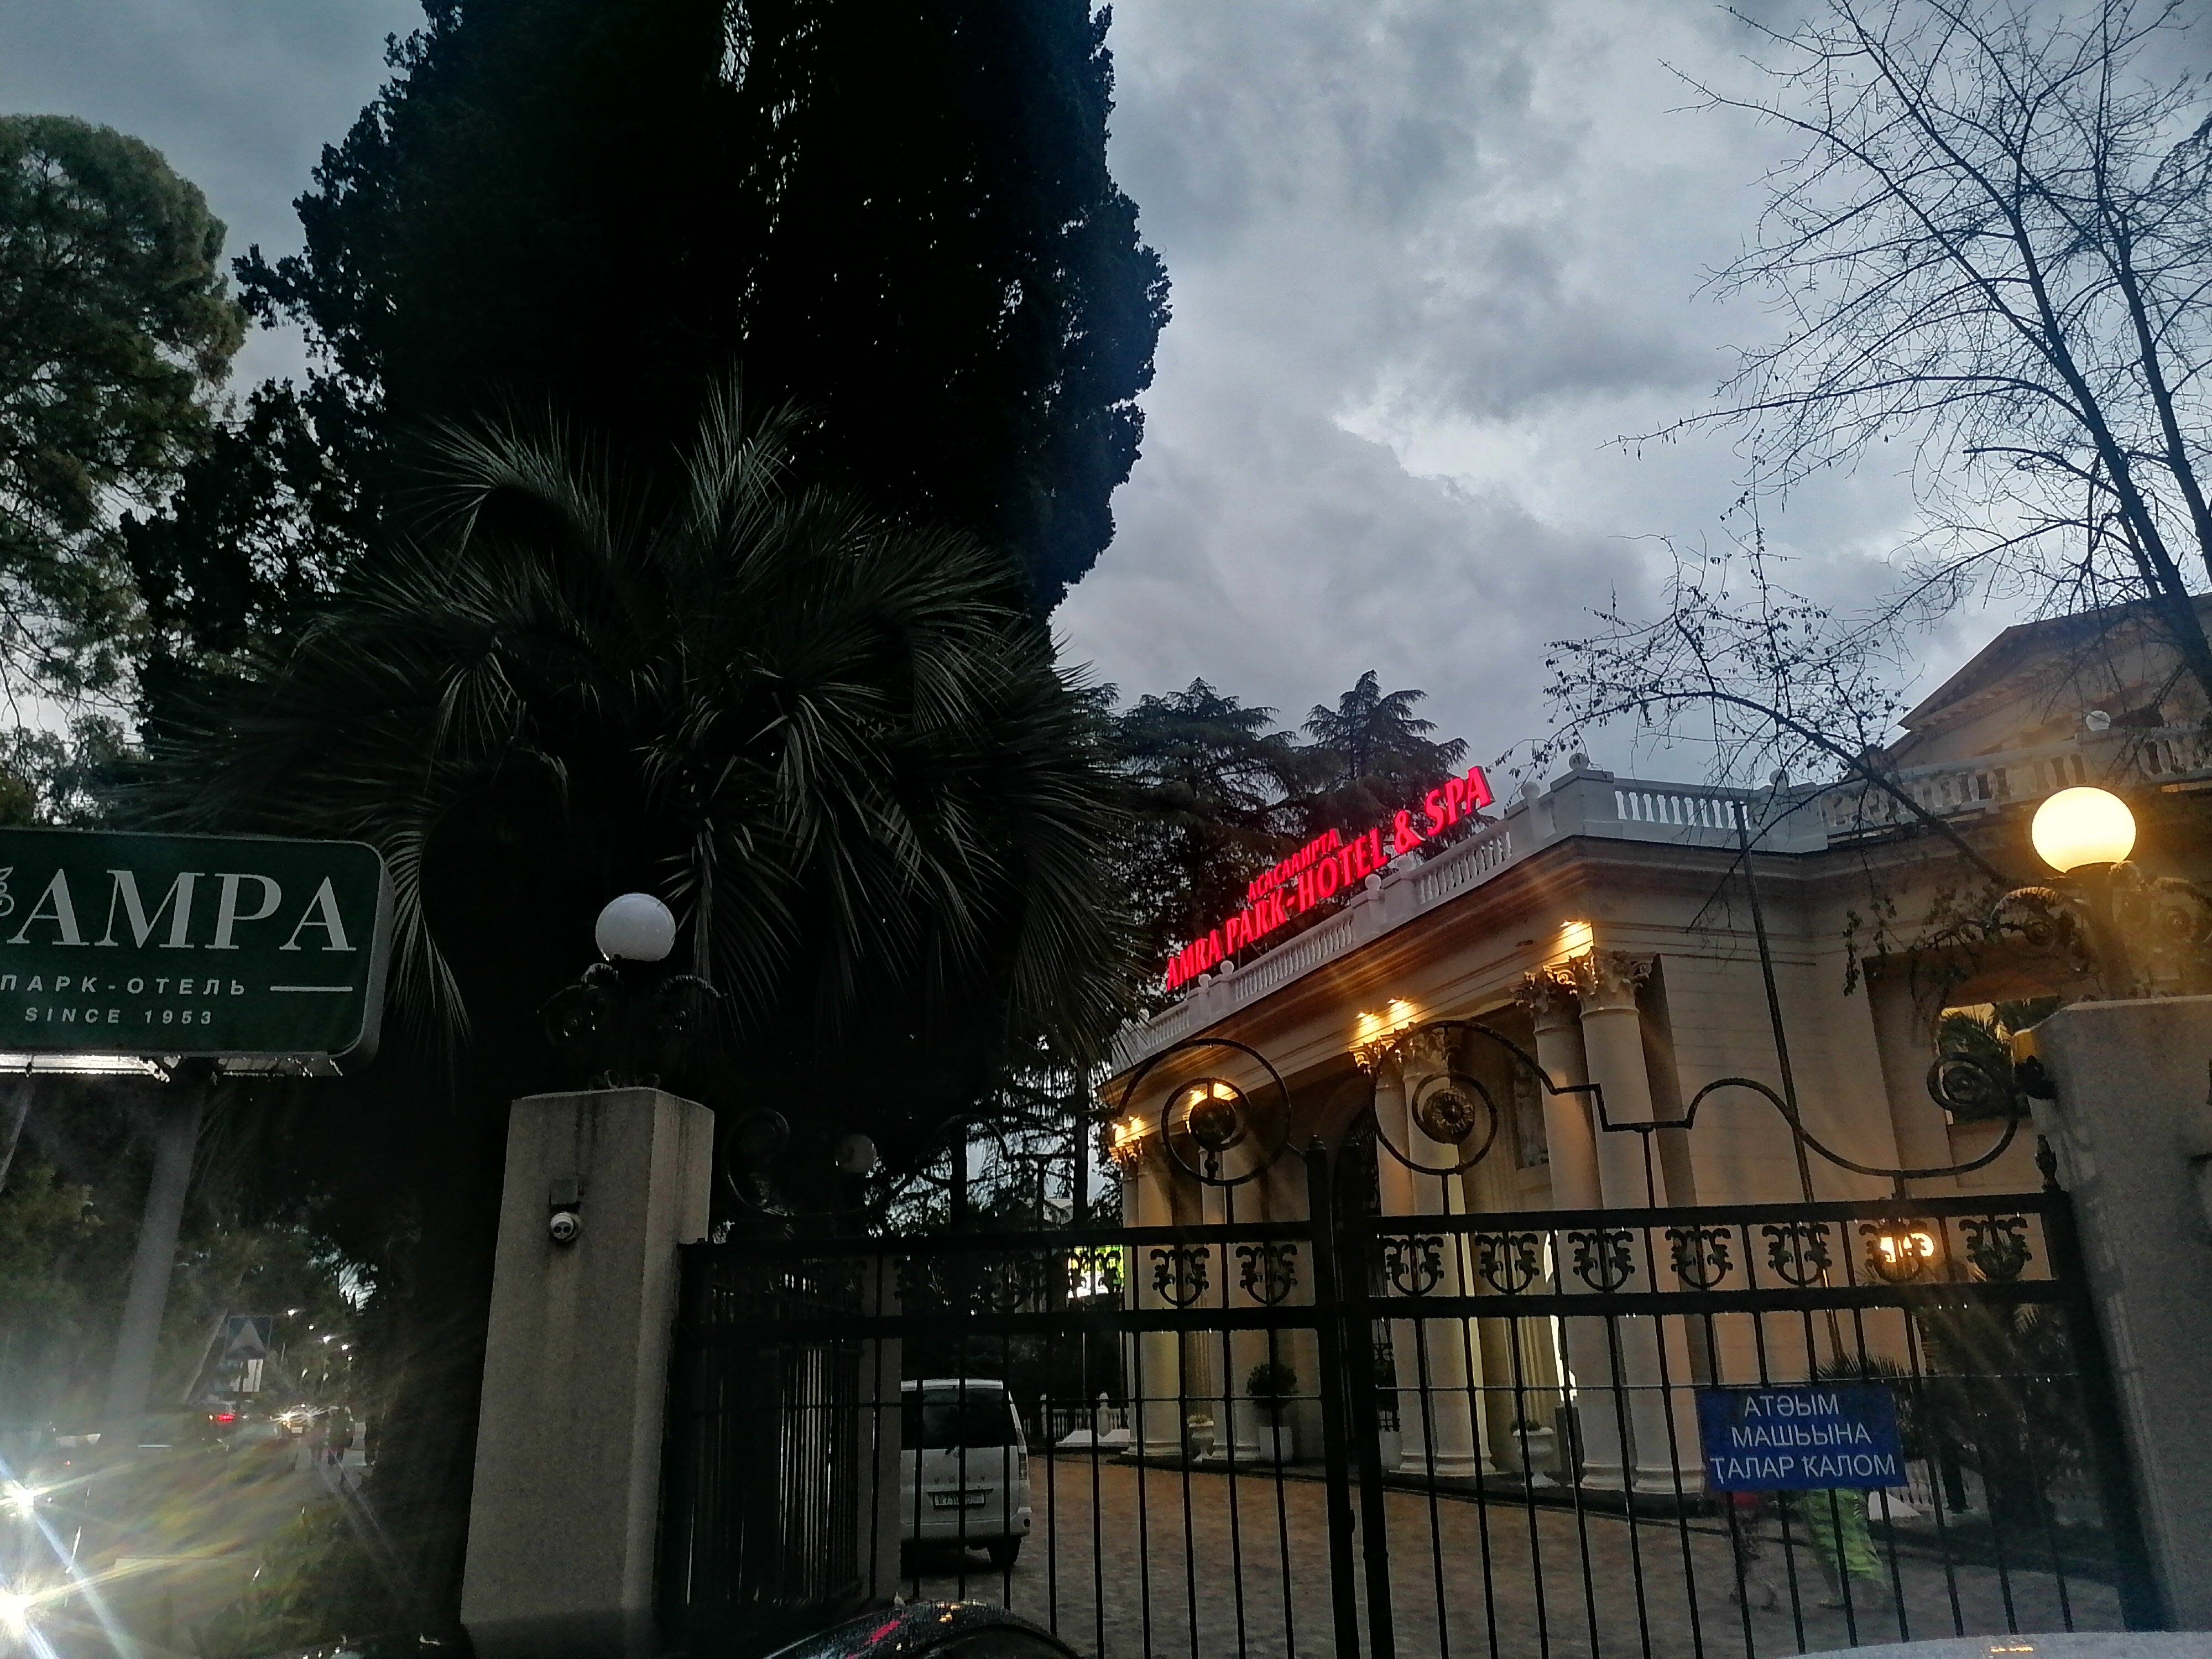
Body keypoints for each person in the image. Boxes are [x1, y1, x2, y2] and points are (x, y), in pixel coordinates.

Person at [1786, 1488, 1888, 1612]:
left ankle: (1843, 1595)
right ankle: (1874, 1591)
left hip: (1819, 1497)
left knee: (1826, 1546)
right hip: (1849, 1494)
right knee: (1857, 1541)